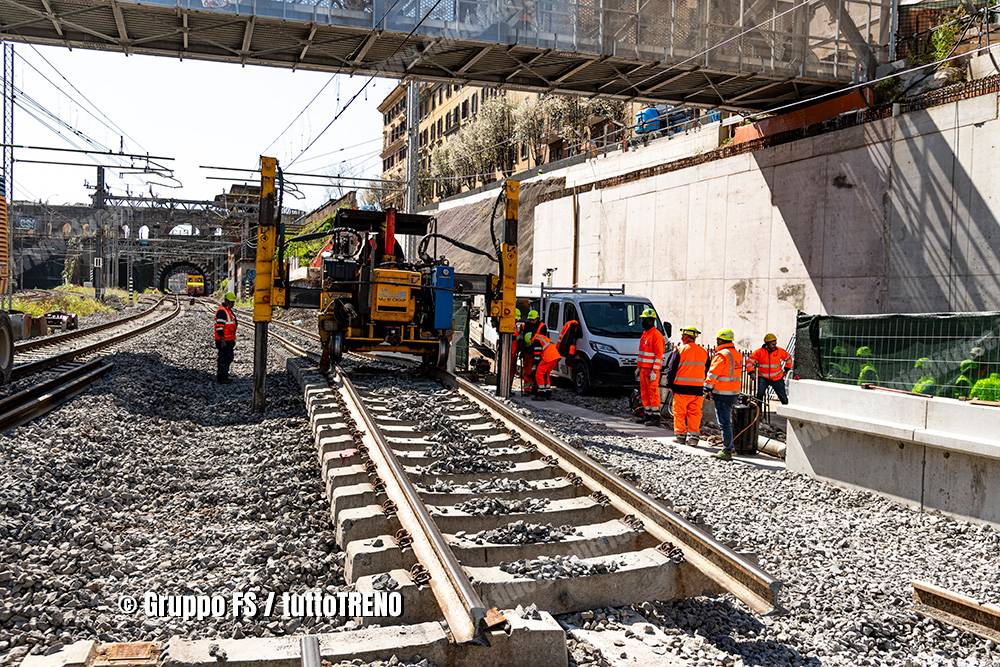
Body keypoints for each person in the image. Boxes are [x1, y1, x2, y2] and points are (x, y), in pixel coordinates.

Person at [704, 328, 744, 461]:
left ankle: (727, 450)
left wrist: (707, 388)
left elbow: (713, 374)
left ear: (720, 340)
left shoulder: (721, 355)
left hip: (721, 393)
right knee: (728, 421)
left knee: (724, 422)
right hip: (733, 393)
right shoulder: (737, 354)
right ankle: (730, 446)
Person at [665, 325, 708, 445]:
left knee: (680, 412)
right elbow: (707, 369)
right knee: (695, 413)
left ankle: (680, 436)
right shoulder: (703, 351)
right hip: (698, 389)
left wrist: (669, 384)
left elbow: (671, 368)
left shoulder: (680, 350)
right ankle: (694, 437)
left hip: (681, 388)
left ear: (685, 337)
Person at [635, 307, 666, 426]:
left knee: (653, 393)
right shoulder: (645, 334)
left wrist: (655, 370)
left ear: (650, 320)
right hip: (644, 369)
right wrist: (638, 367)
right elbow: (641, 353)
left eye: (644, 319)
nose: (642, 322)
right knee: (644, 392)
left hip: (651, 370)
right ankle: (647, 414)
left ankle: (655, 417)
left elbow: (659, 355)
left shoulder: (656, 335)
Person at [747, 333, 792, 405]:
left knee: (783, 398)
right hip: (763, 378)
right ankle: (759, 413)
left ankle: (788, 414)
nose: (775, 346)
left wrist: (786, 369)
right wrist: (751, 372)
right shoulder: (759, 352)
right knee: (759, 396)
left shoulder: (779, 351)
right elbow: (749, 361)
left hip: (777, 378)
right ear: (767, 344)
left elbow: (789, 358)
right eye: (772, 344)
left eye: (775, 343)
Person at [520, 310, 547, 396]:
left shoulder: (542, 327)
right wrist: (521, 349)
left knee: (535, 371)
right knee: (527, 370)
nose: (531, 321)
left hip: (537, 352)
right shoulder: (524, 326)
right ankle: (527, 389)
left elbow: (542, 341)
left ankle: (535, 388)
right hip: (527, 351)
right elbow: (521, 338)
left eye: (533, 320)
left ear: (537, 318)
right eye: (530, 320)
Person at [213, 291, 238, 384]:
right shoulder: (222, 311)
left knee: (228, 358)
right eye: (231, 302)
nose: (233, 304)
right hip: (224, 340)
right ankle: (222, 378)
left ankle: (224, 375)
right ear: (227, 301)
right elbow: (219, 327)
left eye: (233, 302)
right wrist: (223, 340)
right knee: (224, 359)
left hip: (229, 340)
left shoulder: (227, 310)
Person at [531, 331, 562, 400]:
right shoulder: (542, 337)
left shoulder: (536, 340)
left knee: (539, 374)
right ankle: (548, 392)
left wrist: (535, 365)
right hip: (555, 356)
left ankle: (541, 394)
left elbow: (537, 355)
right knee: (546, 374)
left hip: (548, 357)